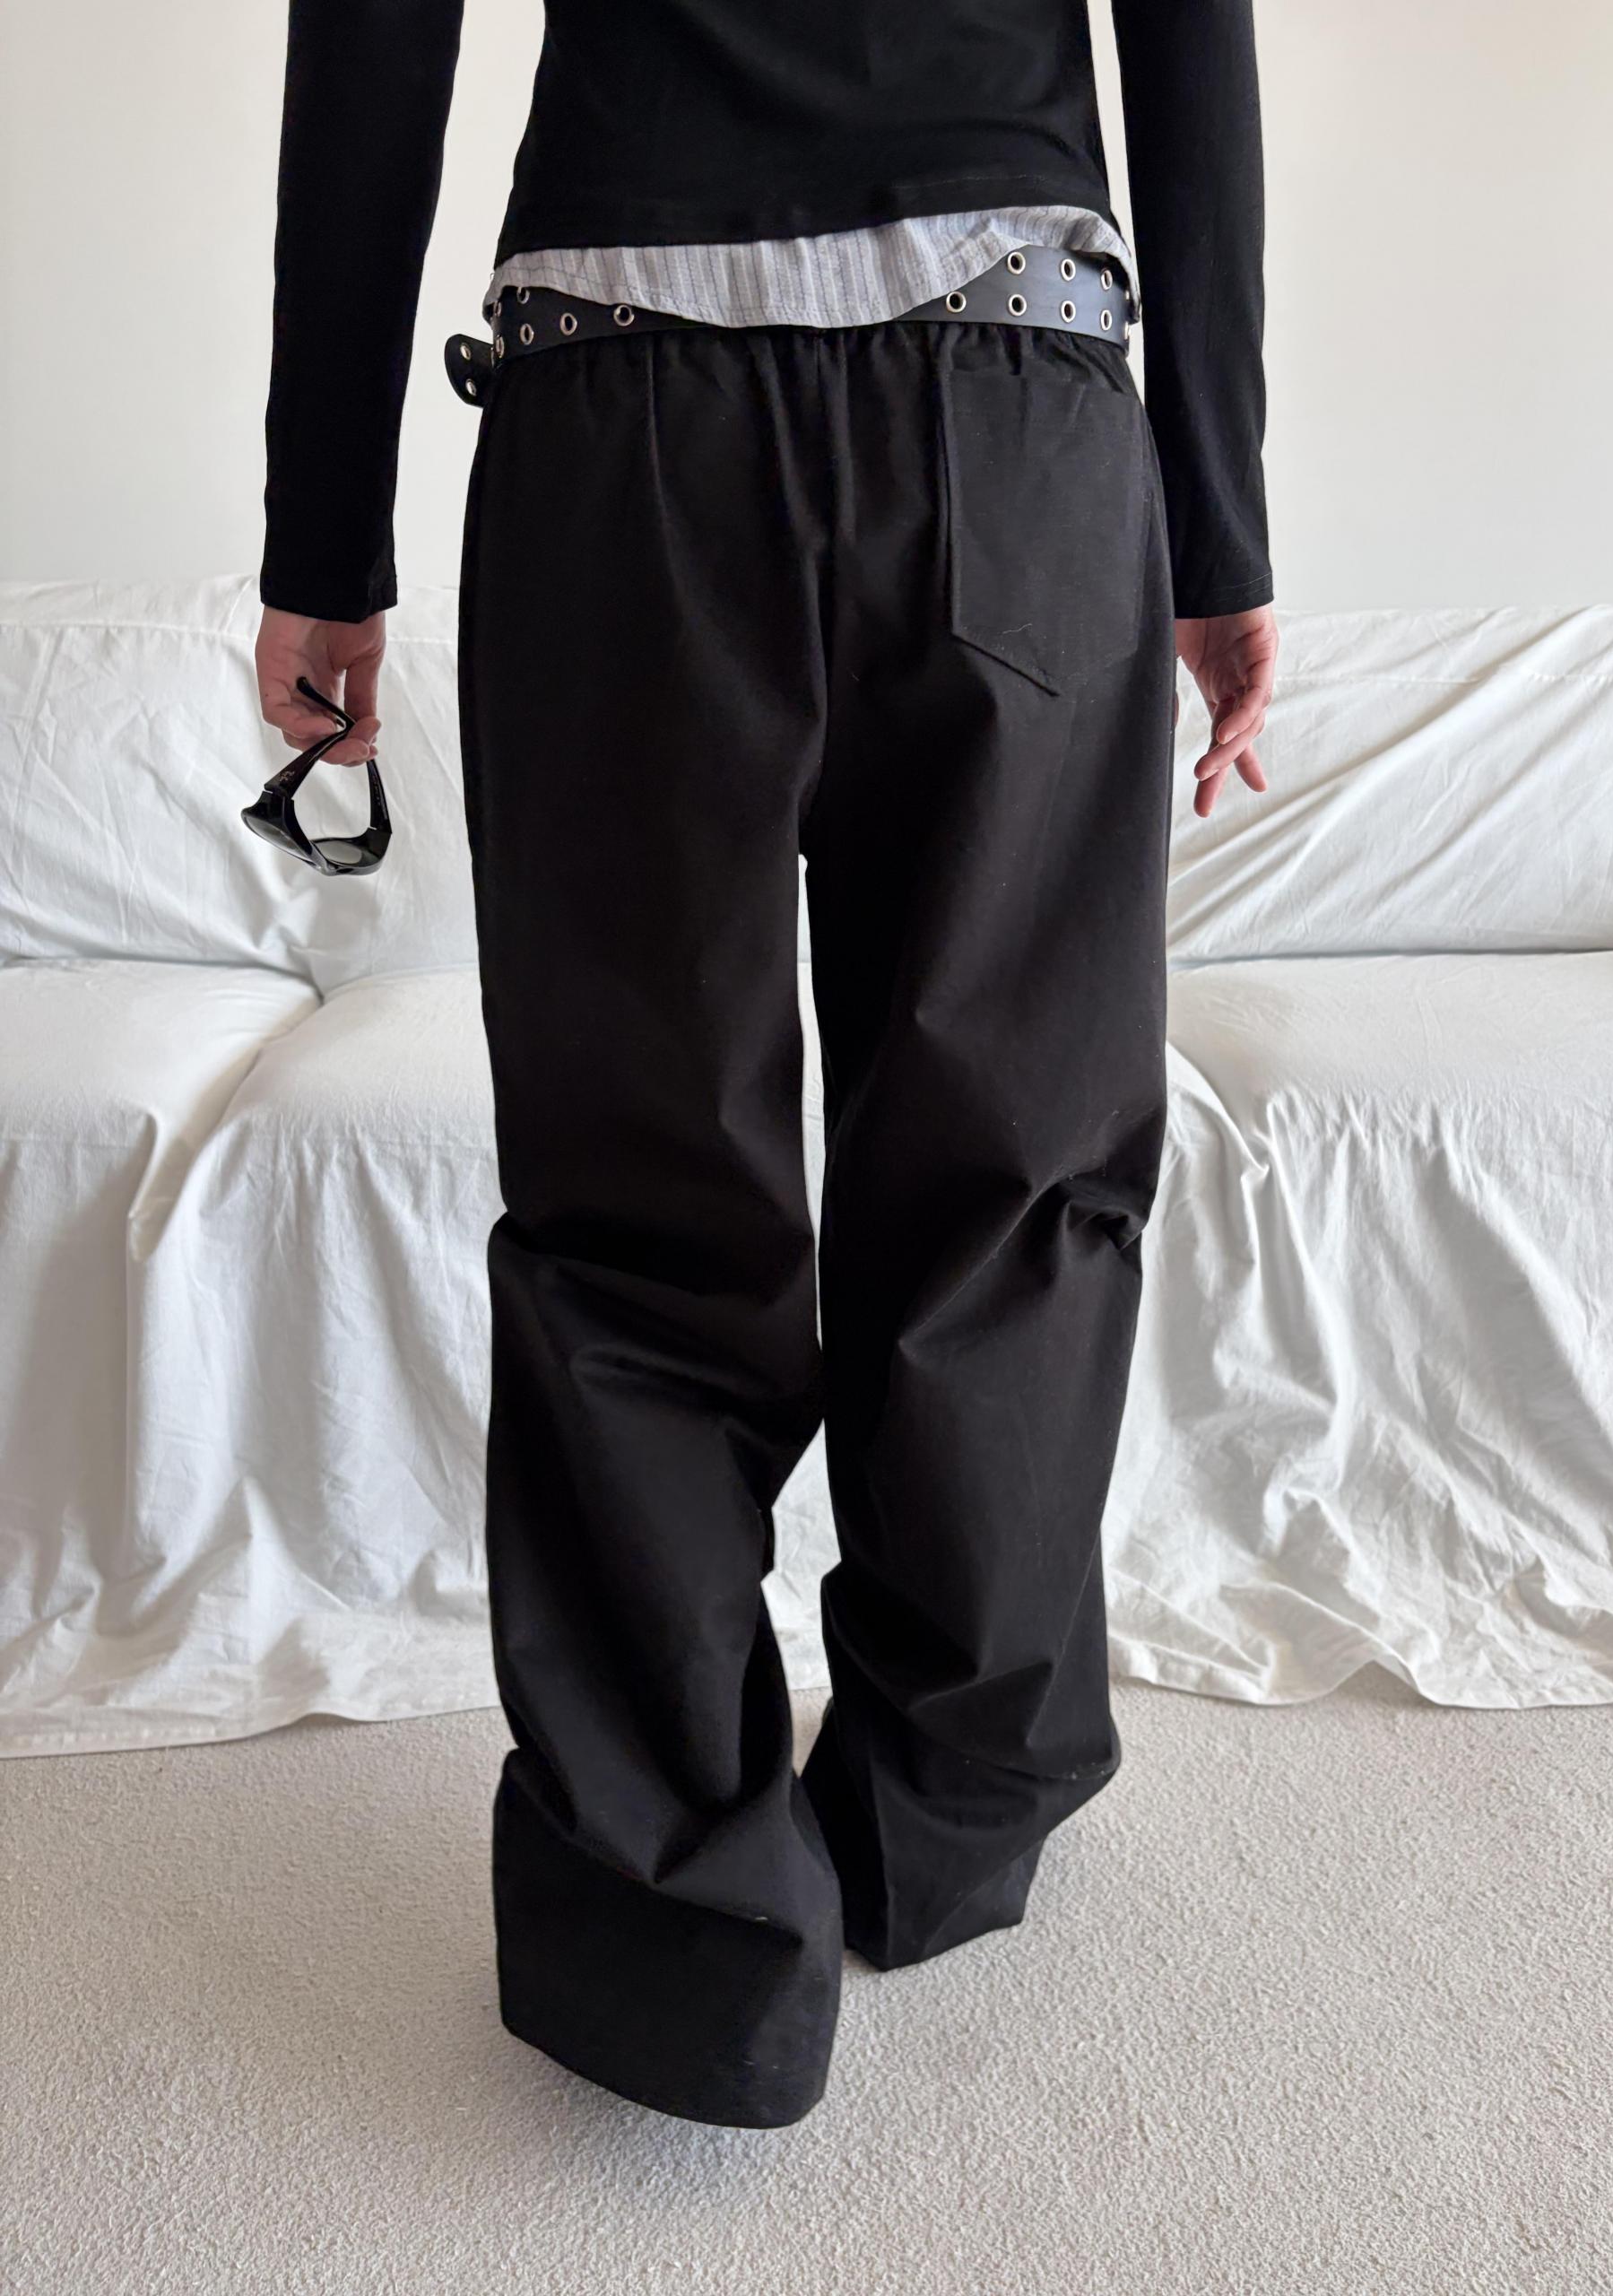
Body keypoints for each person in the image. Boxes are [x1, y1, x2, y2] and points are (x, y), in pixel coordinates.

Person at [253, 0, 1278, 2130]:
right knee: (1009, 1179)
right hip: (1009, 386)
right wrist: (1221, 521)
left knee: (639, 1202)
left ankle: (679, 1930)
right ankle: (946, 1807)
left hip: (625, 399)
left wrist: (325, 538)